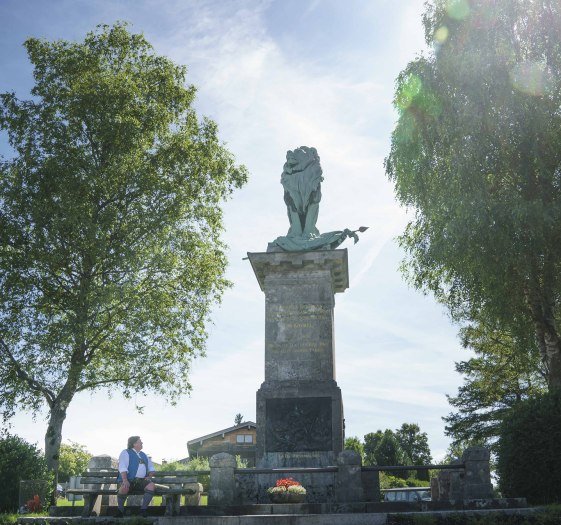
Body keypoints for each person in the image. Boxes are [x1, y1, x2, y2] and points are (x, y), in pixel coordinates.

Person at [116, 436, 156, 517]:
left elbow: (151, 468)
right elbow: (122, 467)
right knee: (124, 487)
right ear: (134, 444)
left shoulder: (144, 455)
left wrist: (149, 476)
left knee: (151, 486)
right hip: (128, 480)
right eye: (140, 441)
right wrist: (125, 480)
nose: (142, 443)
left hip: (141, 481)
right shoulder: (126, 452)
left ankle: (143, 510)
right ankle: (120, 511)